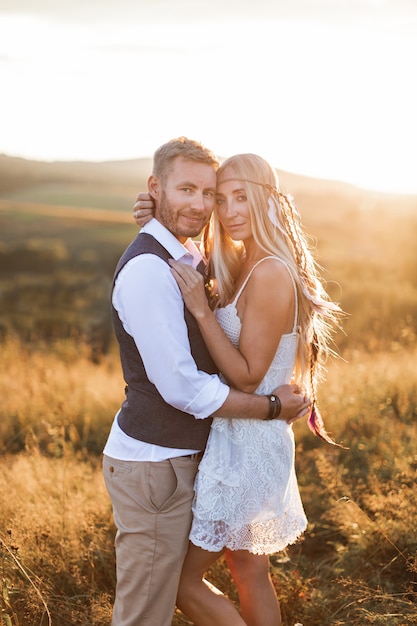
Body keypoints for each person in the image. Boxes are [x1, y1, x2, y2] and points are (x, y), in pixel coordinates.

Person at [103, 138, 310, 626]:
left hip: (246, 440)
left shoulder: (264, 270)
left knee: (215, 575)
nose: (222, 208)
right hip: (220, 439)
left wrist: (198, 303)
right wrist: (153, 224)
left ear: (267, 199)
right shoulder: (234, 263)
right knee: (244, 567)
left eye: (236, 196)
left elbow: (246, 372)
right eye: (220, 197)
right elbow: (191, 265)